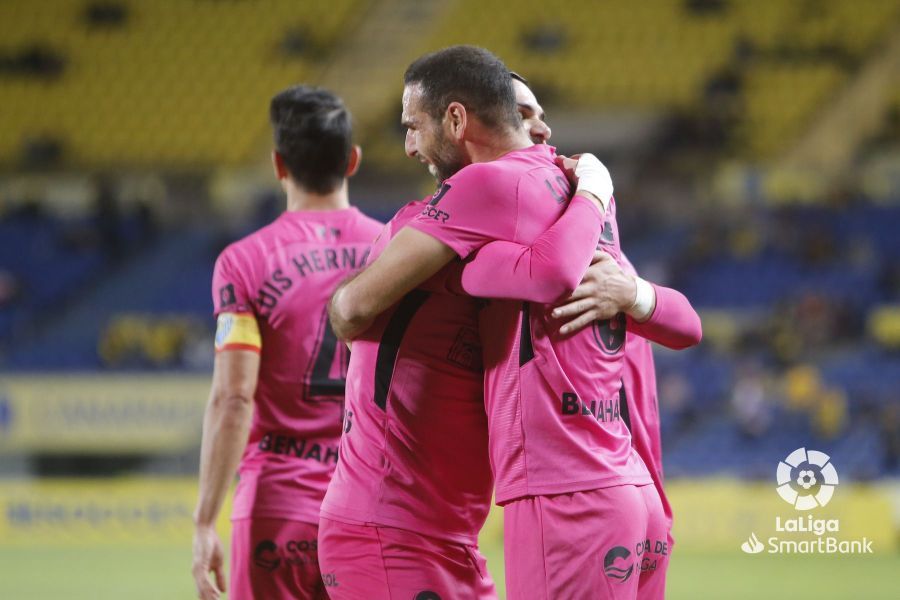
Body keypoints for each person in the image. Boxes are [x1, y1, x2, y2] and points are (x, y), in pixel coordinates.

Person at [328, 46, 700, 599]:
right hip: (632, 490)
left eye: (413, 127)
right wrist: (600, 202)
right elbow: (685, 325)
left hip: (562, 493)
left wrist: (629, 284)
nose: (543, 133)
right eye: (527, 117)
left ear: (461, 119)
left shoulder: (497, 195)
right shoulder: (579, 202)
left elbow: (355, 309)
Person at [191, 85, 383, 600]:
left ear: (278, 165)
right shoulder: (396, 251)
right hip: (373, 501)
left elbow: (234, 399)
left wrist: (205, 520)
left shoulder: (244, 261)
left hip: (278, 502)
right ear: (354, 160)